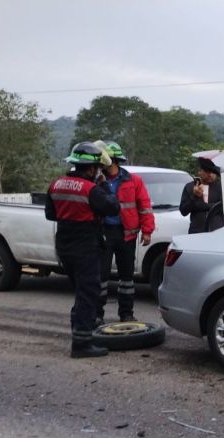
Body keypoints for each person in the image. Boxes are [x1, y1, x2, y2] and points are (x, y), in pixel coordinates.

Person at [45, 142, 121, 358]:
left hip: (64, 246)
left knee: (80, 291)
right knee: (89, 294)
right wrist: (105, 185)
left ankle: (78, 331)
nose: (98, 172)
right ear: (91, 169)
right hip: (86, 246)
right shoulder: (92, 189)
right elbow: (113, 207)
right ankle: (82, 344)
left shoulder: (55, 184)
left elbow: (50, 215)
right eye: (97, 168)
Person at [93, 140, 155, 324]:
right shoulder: (96, 181)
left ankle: (126, 314)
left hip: (126, 234)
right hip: (104, 232)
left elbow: (144, 206)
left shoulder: (133, 180)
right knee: (100, 275)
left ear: (113, 160)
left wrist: (147, 231)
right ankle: (97, 314)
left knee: (127, 276)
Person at [180, 156, 224, 233]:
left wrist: (201, 205)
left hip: (218, 231)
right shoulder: (190, 187)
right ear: (200, 171)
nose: (211, 175)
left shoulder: (221, 186)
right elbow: (183, 211)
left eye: (213, 172)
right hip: (197, 232)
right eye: (208, 171)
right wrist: (194, 196)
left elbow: (223, 207)